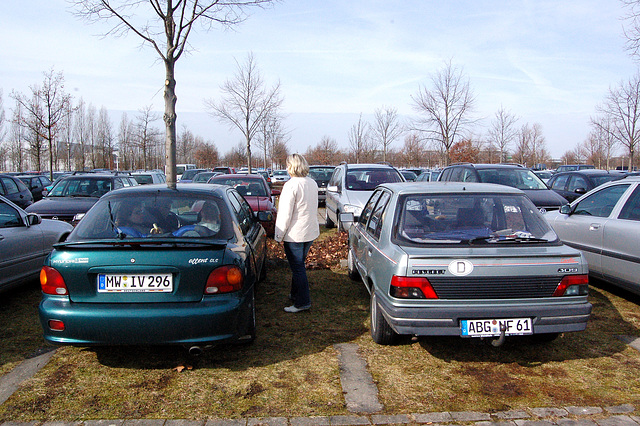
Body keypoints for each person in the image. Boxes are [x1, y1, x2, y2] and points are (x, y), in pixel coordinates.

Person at [274, 153, 320, 313]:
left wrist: (278, 235)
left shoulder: (291, 185)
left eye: (287, 165)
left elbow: (284, 214)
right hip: (309, 232)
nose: (286, 169)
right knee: (298, 267)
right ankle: (295, 295)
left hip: (295, 235)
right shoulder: (312, 183)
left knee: (298, 268)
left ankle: (302, 302)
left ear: (292, 167)